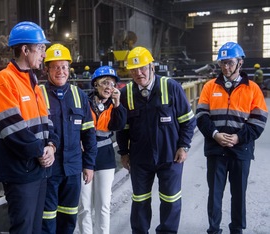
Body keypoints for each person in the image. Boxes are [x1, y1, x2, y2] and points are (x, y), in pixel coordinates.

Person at [0, 21, 59, 234]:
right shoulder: (4, 80)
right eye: (40, 48)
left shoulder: (32, 81)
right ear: (25, 50)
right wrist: (41, 151)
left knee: (35, 228)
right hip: (19, 171)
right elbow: (12, 129)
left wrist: (52, 146)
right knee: (23, 228)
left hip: (37, 168)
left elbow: (47, 120)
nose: (44, 54)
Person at [116, 46, 196, 234]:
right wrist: (124, 153)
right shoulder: (127, 93)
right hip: (140, 158)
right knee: (140, 200)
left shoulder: (171, 87)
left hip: (170, 157)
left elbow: (188, 121)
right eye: (134, 70)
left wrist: (184, 147)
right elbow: (122, 128)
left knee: (170, 199)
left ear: (152, 66)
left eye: (142, 68)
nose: (138, 73)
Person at [195, 42, 268, 234]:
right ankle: (213, 229)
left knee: (238, 194)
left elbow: (259, 120)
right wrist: (215, 135)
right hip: (216, 148)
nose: (225, 67)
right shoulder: (210, 87)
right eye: (222, 63)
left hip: (241, 150)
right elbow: (201, 116)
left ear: (240, 62)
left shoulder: (252, 89)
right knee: (215, 194)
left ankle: (237, 229)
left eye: (229, 62)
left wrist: (238, 138)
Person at [40, 43, 98, 234]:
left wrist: (88, 165)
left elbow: (89, 134)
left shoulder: (79, 95)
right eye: (55, 67)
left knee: (69, 217)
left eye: (64, 67)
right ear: (47, 69)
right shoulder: (38, 95)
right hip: (47, 169)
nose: (60, 71)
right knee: (47, 219)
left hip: (73, 169)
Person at [77, 66, 127, 234]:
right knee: (84, 205)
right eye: (105, 83)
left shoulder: (115, 107)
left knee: (103, 204)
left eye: (112, 84)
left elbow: (118, 125)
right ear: (95, 84)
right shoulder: (84, 103)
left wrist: (118, 104)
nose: (108, 87)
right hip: (83, 156)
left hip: (104, 157)